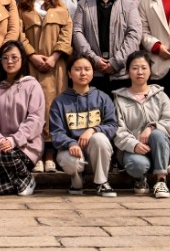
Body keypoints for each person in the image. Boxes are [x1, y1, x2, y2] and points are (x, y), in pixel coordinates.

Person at [18, 0, 73, 172]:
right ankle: (35, 153)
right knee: (31, 109)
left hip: (55, 67)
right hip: (30, 66)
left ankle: (50, 153)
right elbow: (18, 34)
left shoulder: (60, 7)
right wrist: (31, 54)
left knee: (53, 109)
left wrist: (54, 56)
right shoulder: (21, 8)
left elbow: (67, 33)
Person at [112, 50, 170, 198]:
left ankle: (161, 180)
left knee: (157, 133)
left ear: (150, 71)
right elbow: (118, 131)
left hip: (162, 147)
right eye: (135, 68)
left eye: (144, 68)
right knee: (137, 166)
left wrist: (152, 127)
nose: (140, 72)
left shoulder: (160, 95)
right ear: (128, 71)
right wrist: (134, 144)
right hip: (132, 150)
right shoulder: (120, 99)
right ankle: (140, 178)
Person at [50, 55, 119, 197]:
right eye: (77, 69)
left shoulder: (102, 97)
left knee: (100, 138)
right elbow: (56, 132)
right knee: (71, 161)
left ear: (93, 73)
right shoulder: (60, 101)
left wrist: (93, 129)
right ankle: (76, 180)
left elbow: (112, 125)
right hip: (71, 150)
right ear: (69, 73)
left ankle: (102, 182)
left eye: (87, 69)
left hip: (96, 151)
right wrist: (70, 143)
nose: (83, 73)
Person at [0, 41, 44, 195]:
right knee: (3, 190)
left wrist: (14, 140)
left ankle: (26, 178)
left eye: (14, 57)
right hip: (0, 146)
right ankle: (23, 179)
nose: (9, 62)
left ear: (22, 59)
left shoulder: (32, 85)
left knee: (5, 155)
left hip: (26, 146)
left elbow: (35, 118)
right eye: (5, 58)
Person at [72, 0, 142, 88]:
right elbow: (77, 32)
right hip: (92, 73)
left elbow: (134, 34)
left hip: (121, 73)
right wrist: (94, 59)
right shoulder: (83, 5)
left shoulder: (130, 5)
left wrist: (116, 62)